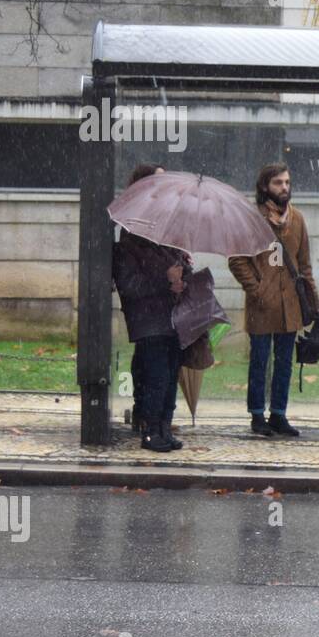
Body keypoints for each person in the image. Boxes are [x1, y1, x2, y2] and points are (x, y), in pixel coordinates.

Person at [228, 163, 319, 438]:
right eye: (278, 182)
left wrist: (314, 302)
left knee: (284, 362)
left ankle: (279, 413)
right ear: (265, 186)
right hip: (261, 305)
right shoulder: (252, 219)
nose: (284, 187)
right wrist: (256, 290)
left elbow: (304, 266)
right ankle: (257, 414)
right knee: (259, 360)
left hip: (290, 303)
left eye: (287, 182)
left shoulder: (298, 219)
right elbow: (237, 259)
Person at [113, 163, 190, 452]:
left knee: (170, 374)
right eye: (159, 181)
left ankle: (163, 428)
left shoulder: (167, 227)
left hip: (171, 316)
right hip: (148, 318)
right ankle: (150, 431)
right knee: (156, 375)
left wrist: (182, 276)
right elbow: (129, 283)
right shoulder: (132, 232)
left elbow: (174, 266)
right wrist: (165, 279)